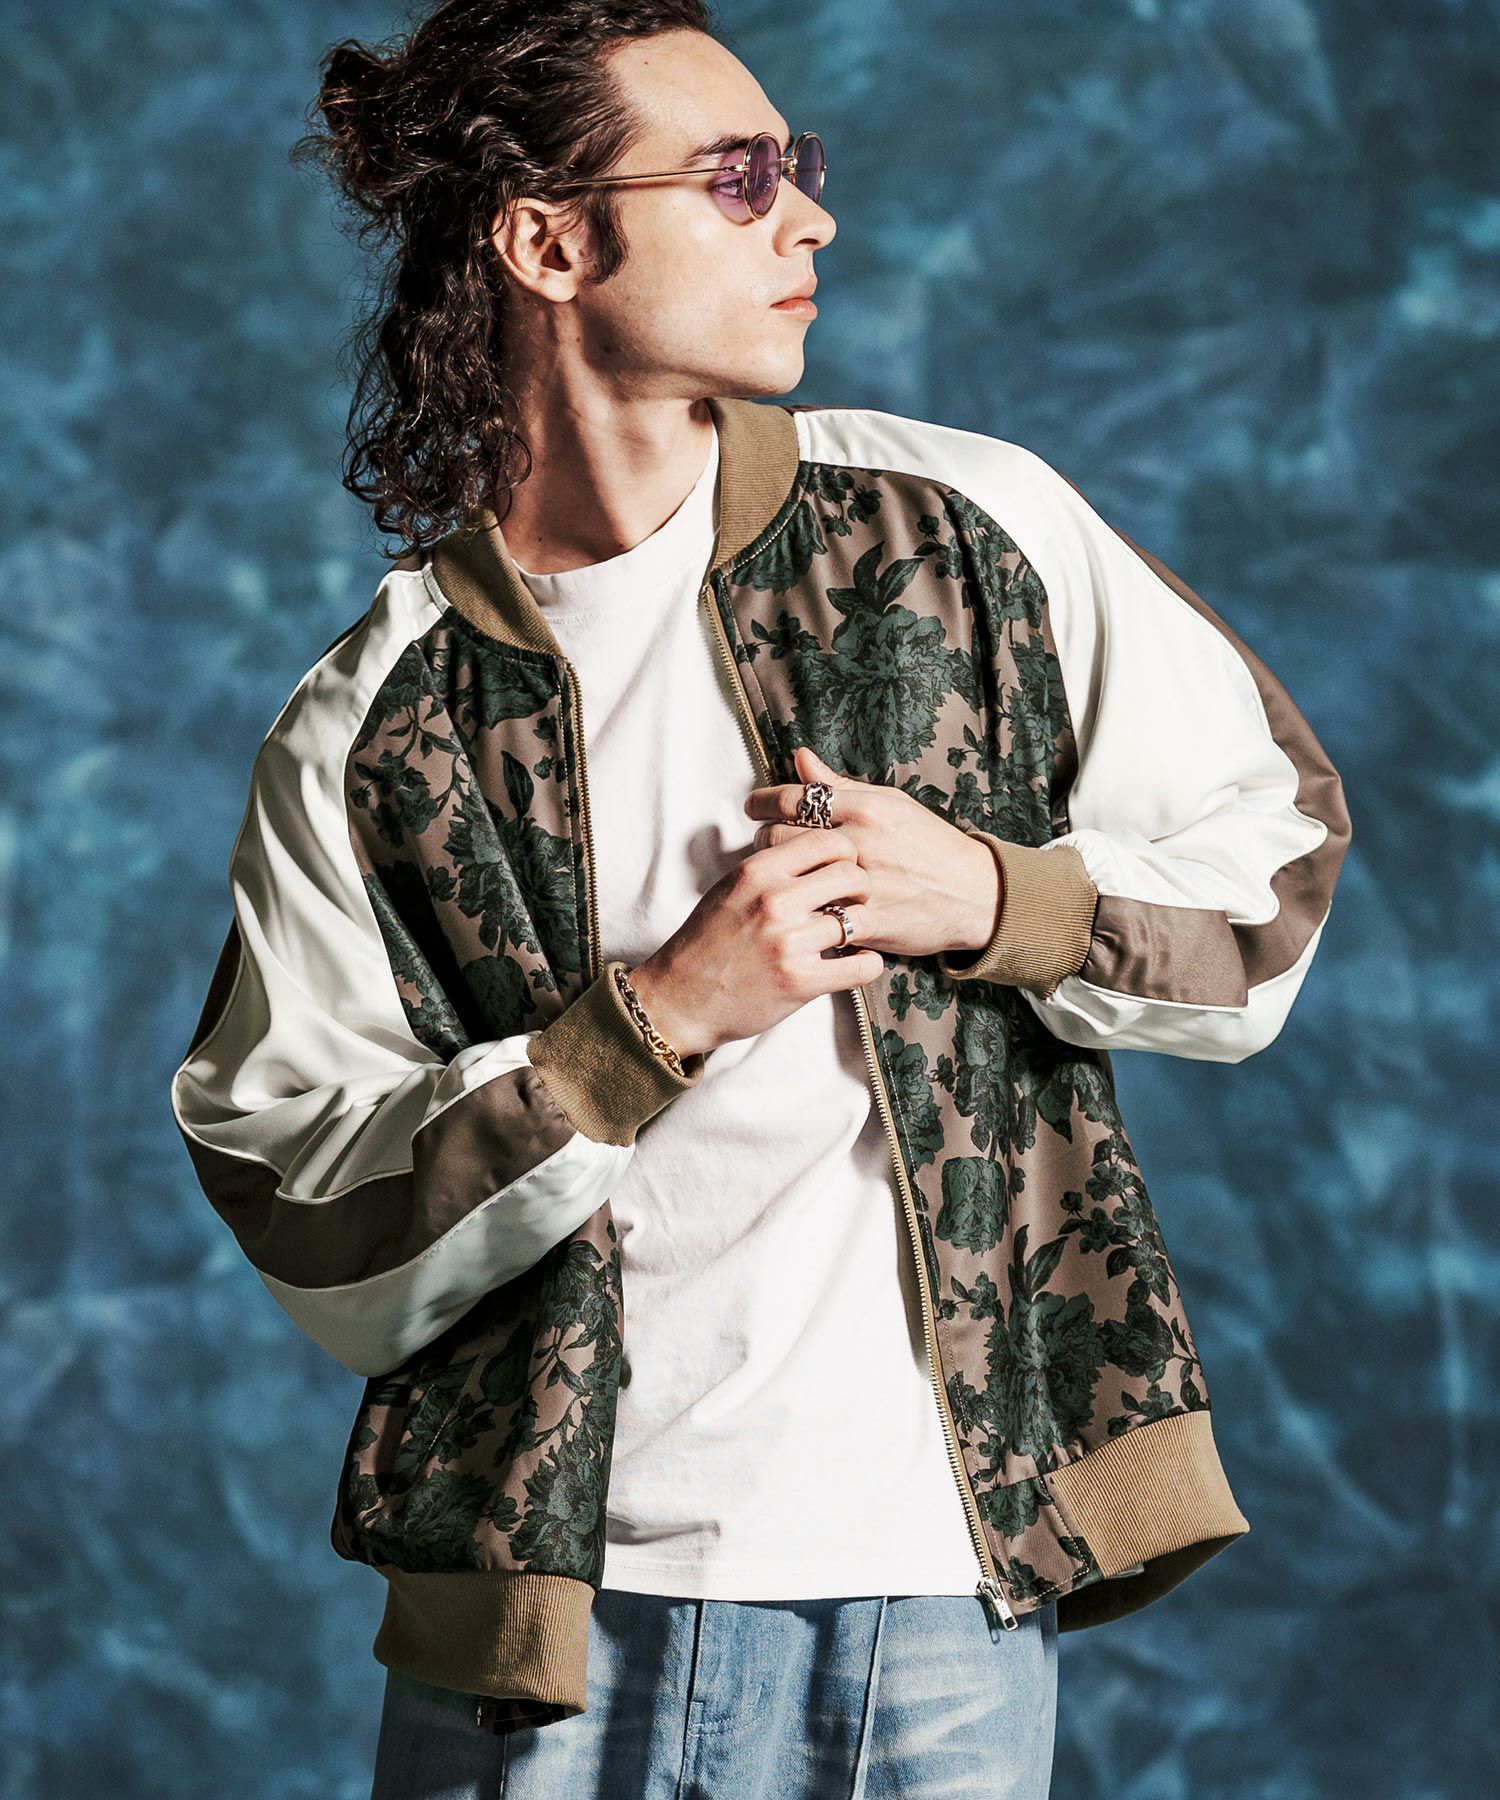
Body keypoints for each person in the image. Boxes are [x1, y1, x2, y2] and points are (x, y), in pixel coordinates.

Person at [168, 3, 1352, 1797]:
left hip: (940, 1587)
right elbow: (301, 1202)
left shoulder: (972, 531)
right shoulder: (373, 722)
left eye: (800, 168)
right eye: (738, 178)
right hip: (543, 1624)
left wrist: (1000, 897)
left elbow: (1275, 871)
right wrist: (646, 1029)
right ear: (549, 243)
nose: (811, 217)